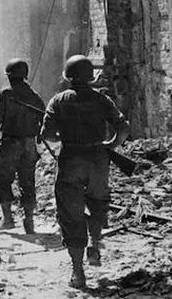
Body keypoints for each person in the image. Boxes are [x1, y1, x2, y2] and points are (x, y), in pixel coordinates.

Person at [41, 55, 130, 289]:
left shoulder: (58, 101)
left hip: (71, 158)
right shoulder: (102, 100)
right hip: (98, 159)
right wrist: (110, 144)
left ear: (67, 77)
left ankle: (78, 273)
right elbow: (123, 128)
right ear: (91, 77)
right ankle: (95, 243)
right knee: (98, 203)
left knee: (71, 214)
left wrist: (63, 135)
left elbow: (47, 134)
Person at [0, 59, 45, 233]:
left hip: (10, 143)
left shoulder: (5, 94)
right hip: (29, 144)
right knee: (27, 181)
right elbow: (43, 122)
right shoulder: (35, 97)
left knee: (4, 179)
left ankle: (7, 219)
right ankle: (29, 219)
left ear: (9, 76)